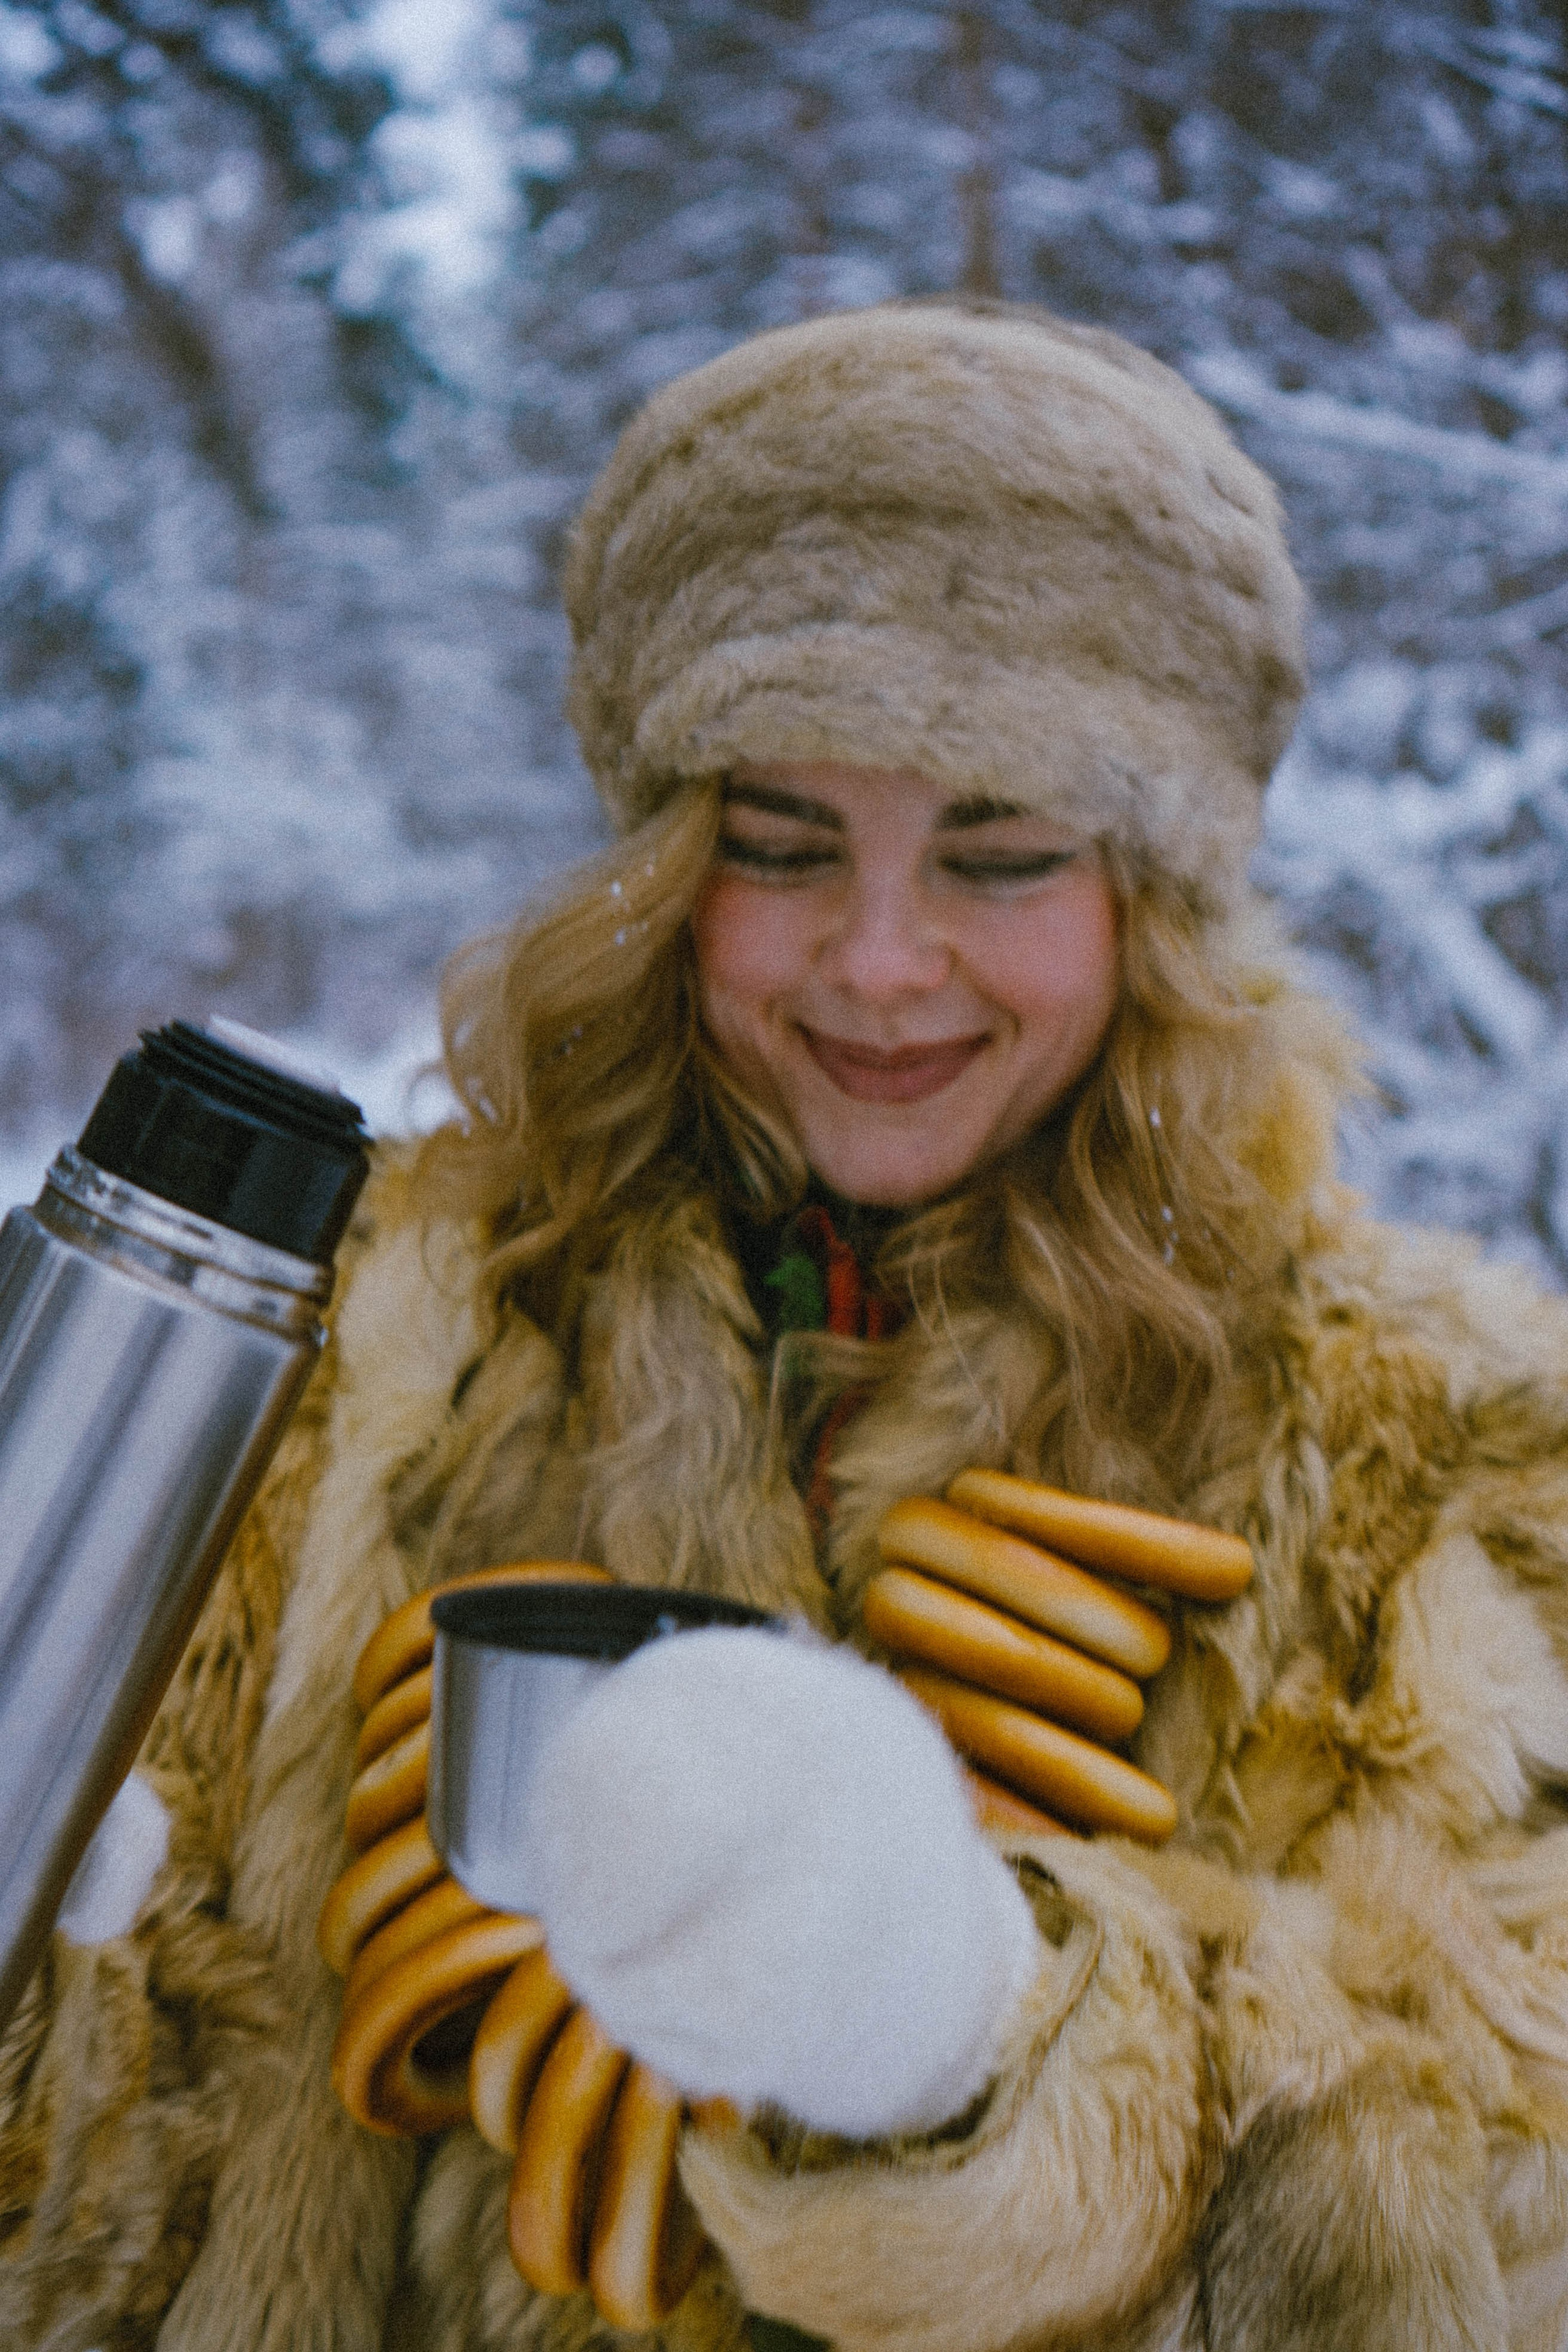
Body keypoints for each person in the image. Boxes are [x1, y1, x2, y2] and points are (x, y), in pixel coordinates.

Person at [6, 296, 1568, 2352]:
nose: (882, 961)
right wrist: (64, 2009)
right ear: (665, 865)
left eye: (1001, 854)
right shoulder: (335, 1358)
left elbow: (1483, 2208)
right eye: (781, 844)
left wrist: (961, 2032)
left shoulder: (1445, 1460)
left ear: (1152, 904)